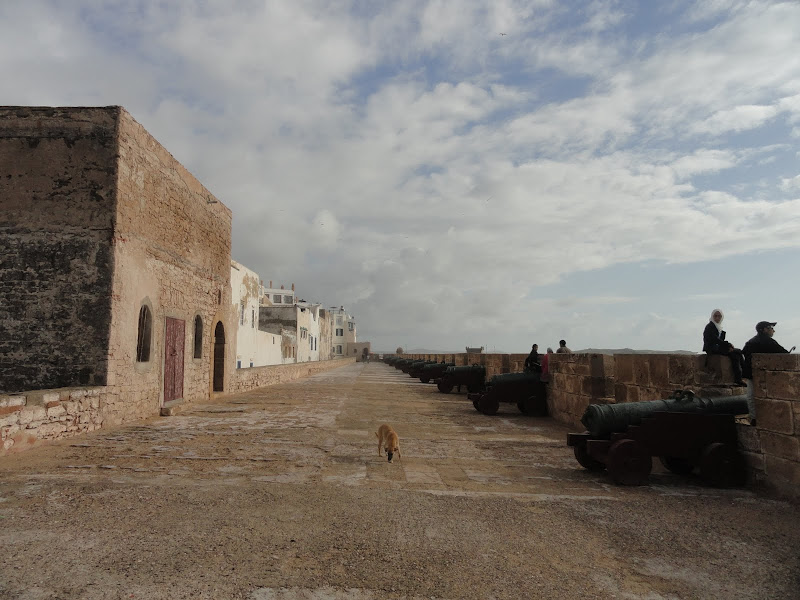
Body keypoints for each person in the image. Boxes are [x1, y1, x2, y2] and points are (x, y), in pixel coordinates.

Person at [742, 321, 790, 425]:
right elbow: (785, 355)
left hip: (751, 375)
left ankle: (754, 418)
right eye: (771, 328)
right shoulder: (769, 342)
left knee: (751, 396)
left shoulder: (750, 342)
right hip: (768, 377)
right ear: (764, 330)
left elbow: (744, 355)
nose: (773, 330)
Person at [702, 309, 744, 385]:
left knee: (737, 353)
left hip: (718, 348)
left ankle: (741, 376)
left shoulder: (718, 327)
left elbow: (719, 341)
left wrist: (728, 345)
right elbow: (714, 339)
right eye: (715, 316)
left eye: (719, 316)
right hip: (712, 349)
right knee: (736, 353)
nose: (717, 318)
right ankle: (739, 378)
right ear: (712, 316)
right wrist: (728, 345)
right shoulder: (710, 327)